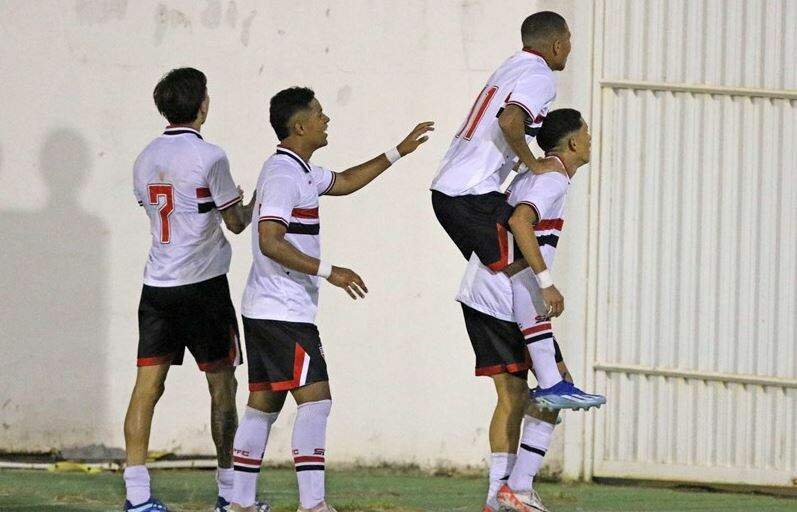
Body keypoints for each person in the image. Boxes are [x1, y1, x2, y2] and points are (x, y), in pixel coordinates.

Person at [229, 87, 433, 512]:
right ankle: (313, 504)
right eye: (320, 115)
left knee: (263, 405)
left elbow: (343, 182)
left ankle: (240, 502)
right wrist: (330, 272)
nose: (327, 120)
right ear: (299, 125)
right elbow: (270, 240)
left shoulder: (295, 169)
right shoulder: (285, 176)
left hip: (267, 307)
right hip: (282, 310)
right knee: (316, 400)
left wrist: (399, 151)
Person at [430, 11, 582, 402]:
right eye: (568, 39)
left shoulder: (511, 66)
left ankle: (546, 372)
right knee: (527, 267)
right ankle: (552, 378)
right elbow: (511, 121)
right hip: (469, 194)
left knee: (514, 274)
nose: (569, 46)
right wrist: (532, 163)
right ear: (556, 44)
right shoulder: (539, 77)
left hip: (458, 191)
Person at [456, 109, 603, 512]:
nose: (591, 137)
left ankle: (510, 492)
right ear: (573, 143)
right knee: (521, 394)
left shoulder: (543, 172)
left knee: (534, 392)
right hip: (499, 295)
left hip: (501, 292)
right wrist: (545, 282)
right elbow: (522, 222)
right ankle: (508, 493)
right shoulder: (552, 176)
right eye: (586, 132)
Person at [125, 68, 256, 512]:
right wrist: (250, 199)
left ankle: (137, 496)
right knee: (222, 386)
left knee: (147, 388)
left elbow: (157, 210)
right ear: (202, 104)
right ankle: (228, 490)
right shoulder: (211, 156)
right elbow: (236, 224)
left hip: (157, 286)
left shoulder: (144, 157)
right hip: (202, 289)